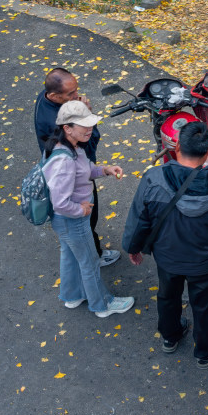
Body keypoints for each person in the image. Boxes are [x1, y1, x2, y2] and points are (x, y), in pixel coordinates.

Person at [122, 121, 208, 369]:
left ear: (175, 147)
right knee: (204, 306)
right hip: (207, 263)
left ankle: (170, 336)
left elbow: (139, 217)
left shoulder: (153, 179)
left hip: (168, 257)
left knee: (167, 295)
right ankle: (205, 351)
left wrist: (133, 247)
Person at [43, 100, 134, 317]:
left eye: (90, 124)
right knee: (90, 262)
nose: (89, 129)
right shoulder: (64, 159)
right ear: (67, 128)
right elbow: (60, 203)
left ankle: (72, 296)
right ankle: (102, 305)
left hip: (64, 221)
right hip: (71, 219)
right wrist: (80, 210)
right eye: (84, 125)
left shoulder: (69, 146)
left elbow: (84, 170)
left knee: (70, 256)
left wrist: (104, 170)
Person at [34, 67, 120, 268]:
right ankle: (93, 257)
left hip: (70, 167)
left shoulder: (45, 98)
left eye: (76, 89)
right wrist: (87, 114)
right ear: (54, 95)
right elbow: (88, 144)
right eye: (71, 94)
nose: (77, 96)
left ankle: (82, 253)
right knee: (87, 217)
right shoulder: (57, 122)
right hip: (75, 174)